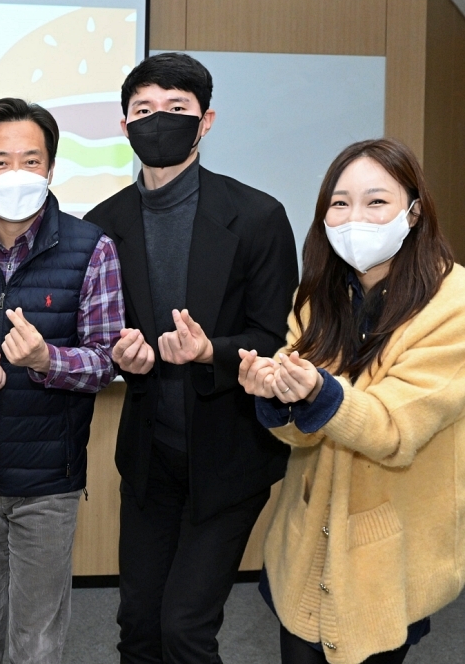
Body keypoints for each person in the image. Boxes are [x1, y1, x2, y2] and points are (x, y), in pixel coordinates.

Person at [84, 52, 299, 664]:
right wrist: (125, 358)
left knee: (185, 629)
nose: (160, 120)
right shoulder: (102, 225)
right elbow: (103, 337)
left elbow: (279, 336)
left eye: (177, 108)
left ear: (206, 121)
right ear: (124, 126)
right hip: (149, 459)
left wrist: (210, 351)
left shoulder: (257, 216)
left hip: (229, 458)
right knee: (138, 627)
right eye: (144, 109)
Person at [239, 139, 464, 664]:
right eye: (340, 203)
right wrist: (277, 395)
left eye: (376, 201)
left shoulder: (452, 303)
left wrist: (319, 391)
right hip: (304, 544)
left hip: (389, 554)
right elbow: (301, 436)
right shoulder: (317, 296)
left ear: (414, 212)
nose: (355, 217)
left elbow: (393, 431)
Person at [0, 97, 124, 664]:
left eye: (30, 160)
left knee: (37, 641)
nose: (15, 173)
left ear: (50, 169)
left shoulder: (92, 248)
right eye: (0, 162)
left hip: (49, 481)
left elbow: (107, 360)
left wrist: (48, 359)